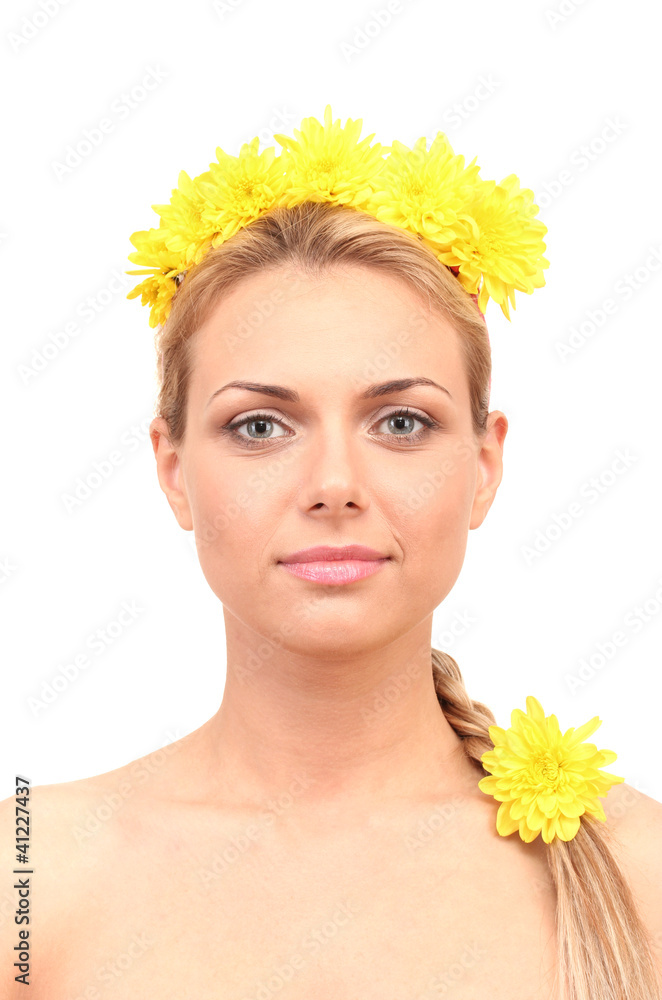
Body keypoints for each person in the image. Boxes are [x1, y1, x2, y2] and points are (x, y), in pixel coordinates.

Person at [2, 108, 661, 1000]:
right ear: (173, 470)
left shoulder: (639, 872)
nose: (335, 484)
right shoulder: (27, 876)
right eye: (260, 426)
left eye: (402, 422)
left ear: (483, 465)